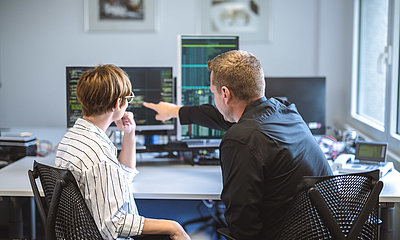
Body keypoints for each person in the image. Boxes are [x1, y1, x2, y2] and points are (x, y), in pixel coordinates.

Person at [143, 50, 333, 240]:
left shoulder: (241, 140)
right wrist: (175, 111)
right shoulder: (286, 111)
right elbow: (227, 117)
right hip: (320, 232)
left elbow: (242, 226)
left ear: (225, 93)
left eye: (213, 93)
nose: (214, 99)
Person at [55, 64, 190, 240]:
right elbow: (113, 225)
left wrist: (129, 133)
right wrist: (173, 227)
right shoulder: (99, 155)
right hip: (110, 235)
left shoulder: (74, 137)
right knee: (175, 229)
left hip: (83, 231)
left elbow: (121, 178)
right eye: (128, 98)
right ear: (118, 103)